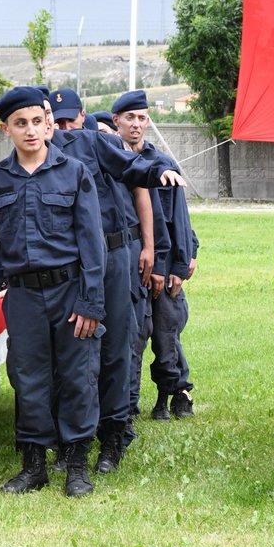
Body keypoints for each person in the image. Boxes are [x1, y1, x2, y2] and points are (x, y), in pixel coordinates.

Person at [0, 86, 106, 498]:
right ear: (6, 129)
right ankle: (33, 466)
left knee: (77, 378)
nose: (31, 130)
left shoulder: (74, 173)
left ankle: (76, 466)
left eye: (38, 121)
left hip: (70, 293)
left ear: (49, 123)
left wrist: (91, 302)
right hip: (22, 297)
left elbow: (93, 245)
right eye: (21, 124)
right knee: (28, 379)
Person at [48, 96, 186, 474]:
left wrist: (151, 249)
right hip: (74, 262)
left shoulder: (101, 143)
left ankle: (113, 437)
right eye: (55, 123)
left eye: (68, 121)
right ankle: (70, 442)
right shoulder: (43, 154)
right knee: (71, 356)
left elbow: (140, 179)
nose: (63, 130)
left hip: (116, 252)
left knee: (117, 349)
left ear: (82, 116)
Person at [113, 90, 199, 422]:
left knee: (166, 333)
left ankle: (175, 394)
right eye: (129, 118)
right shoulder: (111, 160)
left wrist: (179, 264)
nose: (136, 124)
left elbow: (179, 217)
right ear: (116, 120)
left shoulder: (162, 162)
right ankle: (128, 400)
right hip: (129, 263)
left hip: (164, 264)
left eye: (142, 118)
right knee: (132, 334)